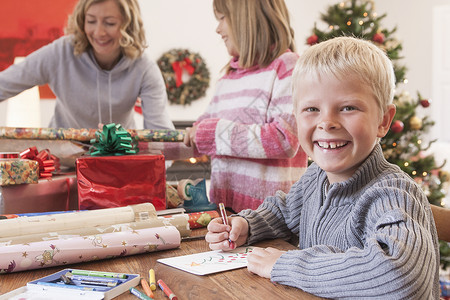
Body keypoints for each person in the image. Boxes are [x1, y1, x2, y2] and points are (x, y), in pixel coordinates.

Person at [206, 36, 439, 298]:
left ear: (383, 121)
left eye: (348, 107)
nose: (326, 122)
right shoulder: (315, 177)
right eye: (312, 109)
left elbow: (400, 276)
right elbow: (284, 212)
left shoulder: (392, 194)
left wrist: (287, 265)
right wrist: (247, 225)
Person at [163, 0, 308, 213]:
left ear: (247, 19)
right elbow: (196, 139)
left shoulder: (288, 67)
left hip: (273, 220)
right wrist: (139, 149)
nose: (218, 28)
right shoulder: (226, 80)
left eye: (222, 18)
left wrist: (213, 133)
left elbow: (285, 139)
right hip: (226, 214)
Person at [0, 0, 174, 130]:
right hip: (63, 163)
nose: (99, 32)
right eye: (91, 21)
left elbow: (161, 133)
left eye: (110, 23)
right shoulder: (61, 52)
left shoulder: (143, 68)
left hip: (119, 163)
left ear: (128, 25)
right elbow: (4, 84)